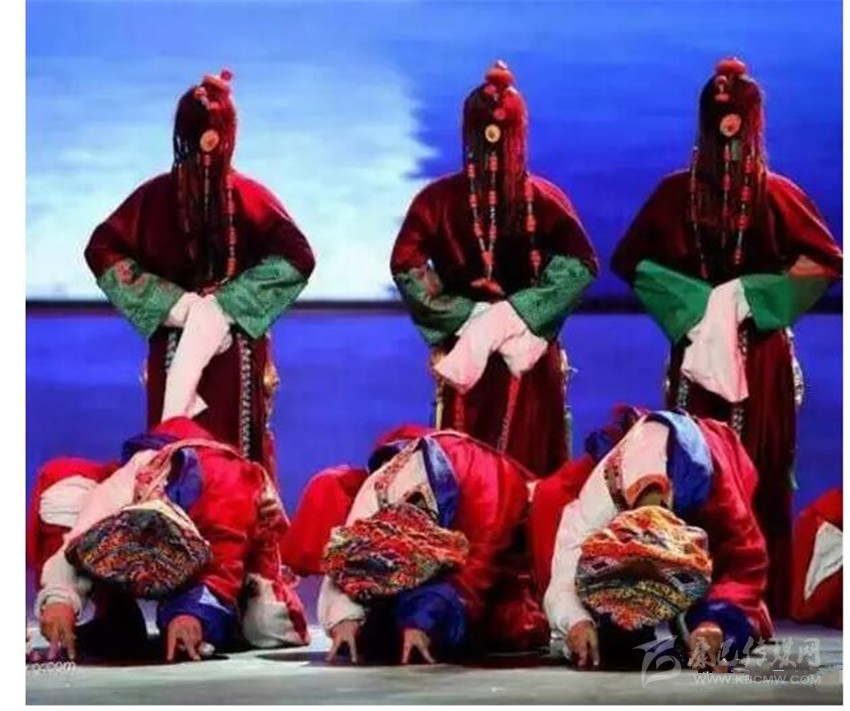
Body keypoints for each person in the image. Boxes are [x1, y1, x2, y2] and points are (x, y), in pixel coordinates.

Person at [610, 57, 842, 615]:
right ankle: (689, 582)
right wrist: (696, 306)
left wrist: (748, 297)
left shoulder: (776, 194)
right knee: (693, 462)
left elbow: (826, 261)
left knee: (761, 463)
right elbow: (631, 261)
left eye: (737, 113)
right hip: (696, 350)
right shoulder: (675, 195)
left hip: (758, 353)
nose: (728, 124)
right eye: (719, 114)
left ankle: (756, 592)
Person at [84, 69, 315, 473]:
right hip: (199, 343)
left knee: (208, 457)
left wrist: (215, 305)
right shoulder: (166, 197)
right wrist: (183, 304)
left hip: (226, 348)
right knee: (194, 456)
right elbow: (102, 248)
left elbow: (298, 256)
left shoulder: (236, 197)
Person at [390, 61, 598, 476]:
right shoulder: (437, 201)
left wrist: (519, 314)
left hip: (529, 356)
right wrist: (468, 315)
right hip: (467, 350)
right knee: (464, 468)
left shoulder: (543, 200)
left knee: (531, 466)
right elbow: (406, 263)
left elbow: (580, 263)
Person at [27, 417, 309, 662]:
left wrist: (190, 615)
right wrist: (60, 599)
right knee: (63, 489)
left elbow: (221, 572)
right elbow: (78, 539)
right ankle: (113, 616)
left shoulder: (225, 498)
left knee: (266, 627)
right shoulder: (128, 482)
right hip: (153, 497)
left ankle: (225, 617)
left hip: (234, 548)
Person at [527, 407, 773, 670]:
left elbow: (745, 566)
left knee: (724, 633)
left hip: (702, 475)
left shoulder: (720, 496)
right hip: (631, 511)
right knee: (616, 643)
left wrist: (712, 623)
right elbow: (563, 577)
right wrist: (577, 622)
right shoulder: (600, 499)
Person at [280, 425, 548, 664]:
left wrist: (421, 623)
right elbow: (349, 559)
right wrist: (344, 619)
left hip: (491, 524)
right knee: (378, 634)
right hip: (426, 516)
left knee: (510, 626)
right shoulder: (376, 494)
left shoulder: (487, 494)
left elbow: (475, 574)